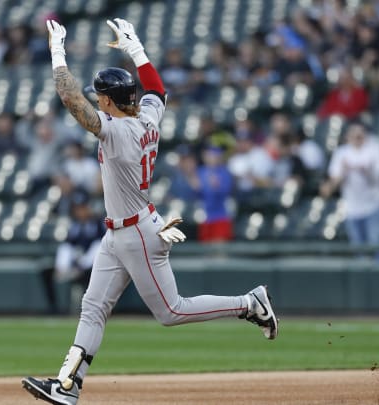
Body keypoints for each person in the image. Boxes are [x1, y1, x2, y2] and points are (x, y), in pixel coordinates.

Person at [22, 18, 278, 405]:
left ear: (107, 100)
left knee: (171, 311)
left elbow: (72, 100)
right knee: (92, 307)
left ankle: (249, 304)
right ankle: (67, 386)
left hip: (138, 234)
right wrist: (136, 49)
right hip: (120, 231)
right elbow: (157, 89)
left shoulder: (117, 130)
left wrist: (57, 52)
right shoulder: (147, 116)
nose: (97, 100)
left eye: (100, 96)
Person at [321, 121, 379, 249]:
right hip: (351, 207)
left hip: (373, 205)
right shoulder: (341, 153)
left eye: (360, 135)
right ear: (347, 136)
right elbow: (335, 178)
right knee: (357, 246)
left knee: (376, 244)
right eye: (353, 135)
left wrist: (365, 171)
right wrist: (344, 171)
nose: (357, 138)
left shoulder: (374, 150)